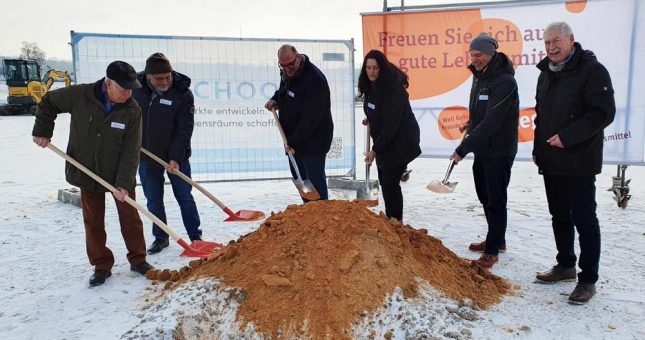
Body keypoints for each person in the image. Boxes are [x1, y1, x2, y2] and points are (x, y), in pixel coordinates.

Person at [32, 61, 154, 287]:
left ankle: (138, 259)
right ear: (108, 83)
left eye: (131, 89)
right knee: (93, 221)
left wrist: (124, 183)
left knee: (131, 218)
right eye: (123, 88)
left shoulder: (132, 110)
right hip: (86, 170)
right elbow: (48, 102)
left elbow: (131, 150)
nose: (128, 94)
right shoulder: (81, 95)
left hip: (119, 173)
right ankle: (101, 265)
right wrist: (42, 130)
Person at [533, 22, 615, 304]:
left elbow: (603, 113)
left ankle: (588, 279)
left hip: (579, 159)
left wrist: (568, 137)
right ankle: (565, 264)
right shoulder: (545, 73)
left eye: (556, 41)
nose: (551, 47)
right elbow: (540, 117)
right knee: (559, 216)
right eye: (546, 43)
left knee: (585, 220)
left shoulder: (592, 70)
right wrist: (537, 149)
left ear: (571, 40)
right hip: (552, 159)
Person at [450, 33, 519, 269]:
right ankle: (496, 239)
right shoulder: (479, 77)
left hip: (499, 150)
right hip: (483, 148)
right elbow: (481, 114)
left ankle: (492, 251)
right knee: (484, 196)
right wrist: (471, 124)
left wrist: (463, 147)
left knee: (496, 200)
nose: (474, 59)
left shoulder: (505, 82)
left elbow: (493, 120)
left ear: (490, 54)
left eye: (478, 55)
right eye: (472, 55)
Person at [133, 53, 202, 254]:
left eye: (168, 76)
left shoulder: (182, 93)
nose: (165, 82)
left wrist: (175, 157)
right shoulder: (135, 90)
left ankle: (195, 236)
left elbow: (184, 129)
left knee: (184, 196)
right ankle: (161, 237)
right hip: (147, 156)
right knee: (153, 198)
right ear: (148, 77)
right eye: (159, 78)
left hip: (177, 156)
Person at [264, 44, 334, 201]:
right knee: (300, 177)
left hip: (313, 139)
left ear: (298, 57)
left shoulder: (315, 80)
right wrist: (275, 99)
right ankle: (308, 212)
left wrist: (294, 142)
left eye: (290, 64)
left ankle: (321, 213)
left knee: (314, 178)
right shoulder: (287, 72)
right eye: (283, 66)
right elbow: (284, 90)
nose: (287, 69)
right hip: (293, 139)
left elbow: (311, 119)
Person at [358, 49, 421, 221]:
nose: (371, 71)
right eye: (368, 68)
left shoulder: (393, 89)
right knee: (385, 179)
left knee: (389, 182)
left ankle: (395, 222)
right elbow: (377, 109)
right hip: (386, 140)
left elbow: (391, 125)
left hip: (401, 141)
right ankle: (391, 218)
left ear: (382, 68)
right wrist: (370, 118)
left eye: (375, 68)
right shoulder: (371, 85)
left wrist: (375, 150)